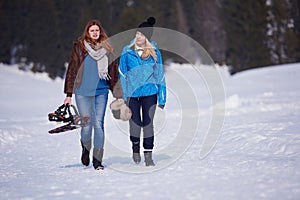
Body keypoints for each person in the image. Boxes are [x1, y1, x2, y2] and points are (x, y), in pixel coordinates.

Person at [63, 19, 122, 170]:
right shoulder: (80, 47)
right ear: (87, 33)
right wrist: (69, 94)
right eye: (92, 31)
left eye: (97, 30)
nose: (95, 33)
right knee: (87, 126)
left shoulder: (107, 49)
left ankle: (97, 160)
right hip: (82, 92)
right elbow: (72, 70)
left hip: (101, 92)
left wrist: (118, 94)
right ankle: (85, 148)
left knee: (99, 125)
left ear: (100, 32)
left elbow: (114, 73)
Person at [119, 17, 166, 166]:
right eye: (137, 33)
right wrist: (124, 94)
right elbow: (122, 73)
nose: (138, 36)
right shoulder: (127, 52)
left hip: (150, 93)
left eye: (142, 34)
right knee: (135, 123)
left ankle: (148, 155)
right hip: (132, 94)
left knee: (148, 124)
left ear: (147, 38)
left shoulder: (155, 53)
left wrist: (162, 97)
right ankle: (135, 147)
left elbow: (160, 75)